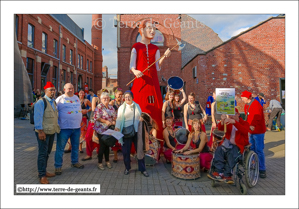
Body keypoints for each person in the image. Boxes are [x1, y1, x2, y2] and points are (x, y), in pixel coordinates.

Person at [130, 19, 171, 142]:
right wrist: (135, 71)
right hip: (140, 82)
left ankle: (155, 141)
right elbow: (131, 65)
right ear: (142, 30)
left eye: (154, 29)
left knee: (155, 110)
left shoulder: (155, 48)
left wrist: (164, 56)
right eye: (149, 28)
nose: (153, 31)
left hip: (153, 82)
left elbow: (157, 66)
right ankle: (137, 143)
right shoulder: (136, 47)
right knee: (139, 109)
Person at [207, 108, 250, 184]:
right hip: (227, 143)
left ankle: (227, 174)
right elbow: (220, 128)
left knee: (231, 154)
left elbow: (244, 131)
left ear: (238, 114)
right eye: (230, 114)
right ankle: (219, 172)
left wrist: (235, 123)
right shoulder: (229, 123)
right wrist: (222, 121)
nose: (231, 116)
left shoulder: (244, 123)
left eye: (233, 114)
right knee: (219, 150)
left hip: (238, 145)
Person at [115, 90, 149, 177]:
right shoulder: (121, 108)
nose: (127, 98)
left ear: (132, 97)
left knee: (140, 150)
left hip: (136, 131)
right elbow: (119, 119)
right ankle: (127, 168)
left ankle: (142, 169)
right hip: (126, 132)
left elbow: (141, 115)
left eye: (129, 96)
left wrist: (141, 118)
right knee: (126, 151)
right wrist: (117, 127)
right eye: (126, 97)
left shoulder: (137, 106)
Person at [54, 83, 84, 175]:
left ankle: (74, 162)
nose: (71, 90)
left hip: (76, 127)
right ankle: (58, 166)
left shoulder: (76, 98)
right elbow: (55, 112)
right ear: (64, 89)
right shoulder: (60, 99)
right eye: (69, 88)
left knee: (75, 146)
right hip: (64, 128)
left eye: (72, 88)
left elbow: (78, 110)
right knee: (60, 148)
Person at [34, 82, 60, 184]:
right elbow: (37, 118)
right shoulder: (41, 102)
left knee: (47, 153)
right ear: (45, 91)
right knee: (42, 153)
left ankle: (43, 171)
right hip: (43, 132)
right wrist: (40, 131)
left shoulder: (53, 102)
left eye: (54, 90)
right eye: (51, 90)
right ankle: (42, 176)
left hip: (51, 131)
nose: (53, 92)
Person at [241, 90, 267, 178]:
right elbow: (247, 117)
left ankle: (262, 169)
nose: (242, 99)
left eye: (243, 97)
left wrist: (252, 125)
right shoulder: (246, 106)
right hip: (251, 131)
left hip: (258, 131)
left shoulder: (256, 104)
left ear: (247, 97)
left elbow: (257, 116)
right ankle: (254, 165)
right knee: (252, 148)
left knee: (259, 150)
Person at [93, 92, 117, 170]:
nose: (106, 99)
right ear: (101, 99)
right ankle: (100, 162)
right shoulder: (99, 107)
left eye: (107, 98)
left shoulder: (111, 107)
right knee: (102, 146)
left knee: (107, 146)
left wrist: (114, 121)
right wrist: (105, 121)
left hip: (109, 129)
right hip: (101, 129)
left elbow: (115, 117)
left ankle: (107, 161)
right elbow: (97, 117)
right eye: (104, 98)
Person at [81, 90, 105, 161]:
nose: (104, 96)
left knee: (99, 138)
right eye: (102, 94)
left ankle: (99, 153)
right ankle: (89, 154)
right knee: (88, 136)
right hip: (93, 120)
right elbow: (94, 108)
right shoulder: (95, 99)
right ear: (99, 95)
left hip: (101, 122)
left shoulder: (106, 101)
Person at [109, 87, 124, 163]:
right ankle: (115, 157)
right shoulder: (112, 103)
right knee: (114, 140)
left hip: (122, 123)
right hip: (114, 123)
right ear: (115, 94)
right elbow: (109, 113)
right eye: (119, 95)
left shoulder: (124, 103)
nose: (120, 96)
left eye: (121, 95)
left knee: (122, 139)